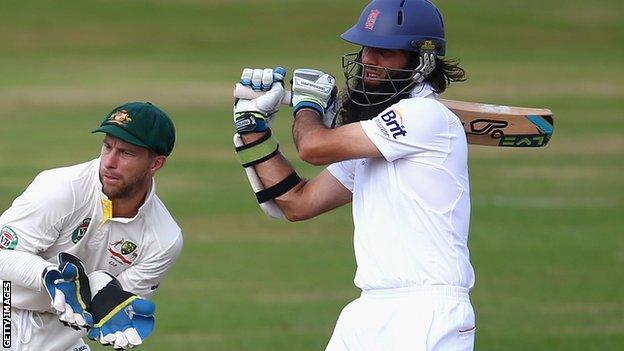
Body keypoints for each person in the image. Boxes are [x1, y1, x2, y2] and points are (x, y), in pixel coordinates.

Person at [232, 0, 475, 350]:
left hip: (427, 309)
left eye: (384, 52)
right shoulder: (373, 139)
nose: (368, 61)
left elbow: (313, 148)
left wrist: (308, 106)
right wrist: (253, 129)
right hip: (368, 309)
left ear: (422, 60)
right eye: (366, 49)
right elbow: (298, 203)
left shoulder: (424, 116)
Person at [0, 102, 183, 351]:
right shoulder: (60, 189)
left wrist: (106, 299)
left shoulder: (164, 239)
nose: (109, 161)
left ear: (155, 164)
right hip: (7, 310)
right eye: (108, 146)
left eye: (126, 153)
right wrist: (50, 277)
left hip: (62, 337)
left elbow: (114, 308)